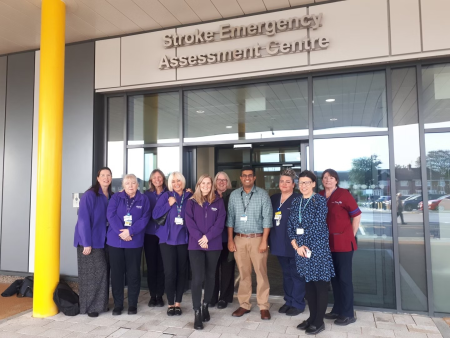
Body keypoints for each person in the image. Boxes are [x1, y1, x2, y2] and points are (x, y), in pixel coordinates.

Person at [288, 170, 335, 335]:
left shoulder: (320, 201)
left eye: (307, 182)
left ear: (314, 184)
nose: (303, 186)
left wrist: (302, 246)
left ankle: (319, 321)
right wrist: (296, 246)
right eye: (301, 183)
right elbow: (290, 225)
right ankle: (312, 317)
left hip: (317, 250)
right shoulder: (296, 202)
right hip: (301, 251)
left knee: (320, 286)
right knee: (308, 286)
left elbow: (316, 226)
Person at [227, 166, 273, 320]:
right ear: (241, 178)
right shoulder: (234, 195)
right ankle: (244, 304)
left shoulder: (262, 195)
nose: (247, 178)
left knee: (261, 273)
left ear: (254, 178)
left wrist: (264, 241)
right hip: (239, 239)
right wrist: (230, 239)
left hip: (257, 239)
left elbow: (267, 220)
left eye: (250, 175)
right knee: (243, 273)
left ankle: (263, 306)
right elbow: (230, 219)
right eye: (244, 175)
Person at [319, 169, 361, 326]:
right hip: (327, 244)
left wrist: (352, 234)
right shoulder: (321, 195)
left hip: (343, 244)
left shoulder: (344, 194)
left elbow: (356, 215)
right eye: (325, 178)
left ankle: (348, 313)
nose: (328, 180)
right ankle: (337, 309)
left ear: (336, 180)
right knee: (334, 279)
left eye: (331, 178)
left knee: (344, 279)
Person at [185, 175, 226, 330]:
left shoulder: (219, 201)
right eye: (204, 183)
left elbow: (220, 223)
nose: (206, 185)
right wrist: (200, 238)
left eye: (209, 183)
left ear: (212, 185)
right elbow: (189, 222)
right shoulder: (191, 202)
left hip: (213, 244)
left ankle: (205, 305)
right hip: (195, 245)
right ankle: (196, 312)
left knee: (210, 276)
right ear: (199, 185)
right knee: (197, 278)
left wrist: (207, 237)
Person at [106, 174, 151, 316]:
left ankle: (132, 304)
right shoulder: (116, 198)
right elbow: (110, 215)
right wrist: (122, 232)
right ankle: (118, 305)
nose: (130, 185)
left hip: (134, 241)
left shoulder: (143, 199)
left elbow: (145, 218)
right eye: (127, 183)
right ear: (123, 186)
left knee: (133, 274)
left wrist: (130, 231)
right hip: (115, 241)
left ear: (137, 185)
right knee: (117, 274)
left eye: (133, 183)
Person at [73, 167, 113, 317]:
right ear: (97, 178)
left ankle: (100, 305)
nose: (106, 178)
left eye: (108, 175)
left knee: (102, 273)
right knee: (90, 275)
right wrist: (86, 243)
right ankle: (90, 307)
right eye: (103, 175)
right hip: (89, 241)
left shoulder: (111, 195)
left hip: (104, 241)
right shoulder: (90, 195)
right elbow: (83, 220)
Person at [153, 171, 192, 316]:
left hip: (184, 240)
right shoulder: (166, 196)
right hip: (167, 240)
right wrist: (168, 205)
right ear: (170, 183)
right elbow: (155, 215)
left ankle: (178, 303)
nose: (176, 183)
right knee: (169, 272)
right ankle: (170, 303)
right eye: (173, 181)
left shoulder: (189, 197)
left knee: (181, 272)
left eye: (179, 180)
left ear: (183, 181)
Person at [268, 169, 305, 317]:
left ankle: (298, 303)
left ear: (293, 184)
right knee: (286, 274)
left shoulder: (299, 199)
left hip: (294, 244)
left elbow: (303, 223)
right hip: (278, 242)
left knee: (297, 274)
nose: (284, 184)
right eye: (282, 181)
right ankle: (288, 301)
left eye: (287, 182)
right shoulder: (274, 198)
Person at [210, 171, 235, 309]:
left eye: (224, 180)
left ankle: (225, 297)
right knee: (212, 269)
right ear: (215, 182)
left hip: (228, 238)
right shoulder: (209, 195)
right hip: (213, 239)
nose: (221, 182)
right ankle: (212, 296)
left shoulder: (234, 196)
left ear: (228, 182)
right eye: (219, 179)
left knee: (227, 268)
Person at [144, 169, 167, 308]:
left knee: (162, 266)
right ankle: (153, 295)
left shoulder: (169, 193)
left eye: (159, 177)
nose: (157, 179)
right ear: (151, 180)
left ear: (163, 179)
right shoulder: (146, 195)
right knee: (151, 266)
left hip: (164, 234)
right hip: (150, 234)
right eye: (154, 177)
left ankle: (160, 295)